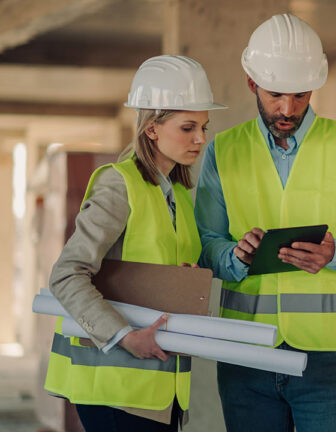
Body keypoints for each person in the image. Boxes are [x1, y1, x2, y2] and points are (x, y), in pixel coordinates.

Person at [195, 13, 336, 432]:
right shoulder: (224, 151)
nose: (287, 109)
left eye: (301, 95)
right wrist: (234, 256)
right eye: (275, 95)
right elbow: (204, 244)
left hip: (328, 360)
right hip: (246, 355)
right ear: (252, 82)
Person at [43, 55, 226, 431]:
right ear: (152, 128)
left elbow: (152, 271)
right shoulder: (119, 185)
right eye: (188, 127)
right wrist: (124, 336)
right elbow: (66, 274)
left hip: (157, 389)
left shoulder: (177, 195)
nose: (201, 139)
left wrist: (184, 283)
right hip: (115, 387)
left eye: (204, 127)